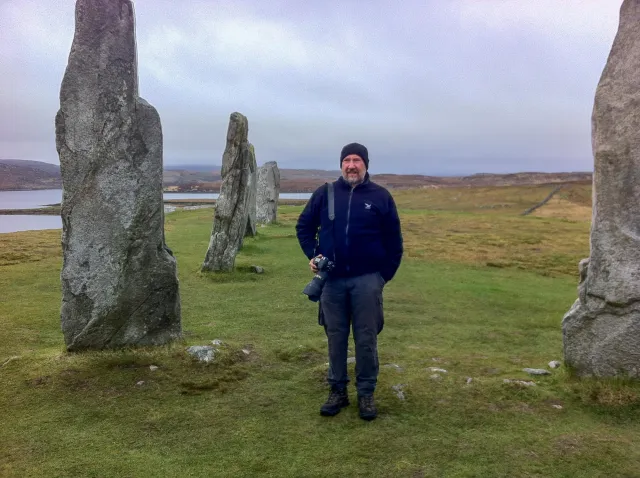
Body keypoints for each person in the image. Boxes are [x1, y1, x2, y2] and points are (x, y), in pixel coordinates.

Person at [296, 142, 403, 420]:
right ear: (341, 164)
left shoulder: (381, 196)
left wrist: (382, 277)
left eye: (357, 160)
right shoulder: (325, 193)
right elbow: (304, 227)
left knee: (366, 338)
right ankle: (337, 391)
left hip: (367, 280)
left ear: (366, 164)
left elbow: (394, 243)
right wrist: (314, 254)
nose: (351, 165)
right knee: (335, 337)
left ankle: (366, 393)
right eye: (347, 160)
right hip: (331, 281)